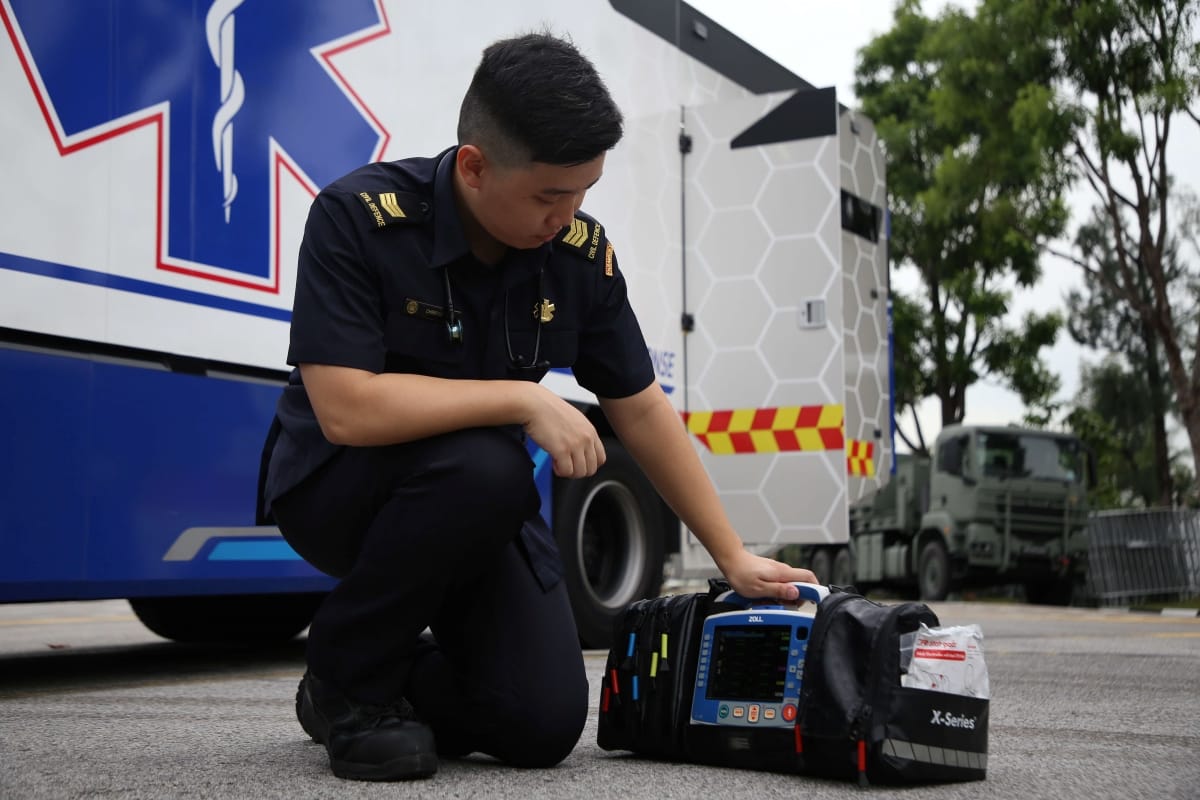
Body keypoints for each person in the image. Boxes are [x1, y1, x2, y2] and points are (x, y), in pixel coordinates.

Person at [261, 31, 817, 783]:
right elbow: (345, 409)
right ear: (475, 167)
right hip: (343, 489)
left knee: (542, 724)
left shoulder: (579, 255)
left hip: (477, 507)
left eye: (584, 191)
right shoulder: (360, 219)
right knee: (489, 467)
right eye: (551, 195)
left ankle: (378, 673)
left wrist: (731, 555)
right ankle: (348, 682)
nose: (568, 214)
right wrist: (524, 397)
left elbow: (641, 408)